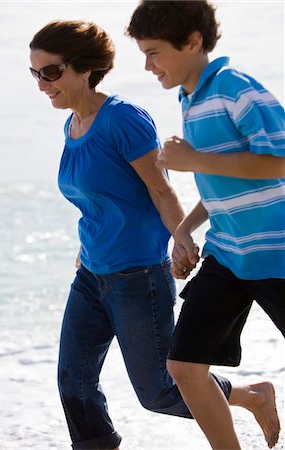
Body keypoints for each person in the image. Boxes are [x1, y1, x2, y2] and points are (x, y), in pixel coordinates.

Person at [29, 19, 281, 450]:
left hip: (137, 277)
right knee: (74, 384)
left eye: (50, 72)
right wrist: (86, 247)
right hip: (91, 274)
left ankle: (252, 396)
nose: (41, 84)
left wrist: (181, 239)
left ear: (84, 68)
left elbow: (161, 189)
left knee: (162, 391)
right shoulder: (70, 125)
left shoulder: (123, 119)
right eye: (35, 74)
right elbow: (101, 199)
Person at [127, 1, 285, 449]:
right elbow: (221, 184)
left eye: (154, 51)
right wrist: (185, 229)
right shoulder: (191, 97)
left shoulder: (236, 88)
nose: (147, 65)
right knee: (184, 367)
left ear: (192, 42)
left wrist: (193, 158)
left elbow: (280, 159)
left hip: (276, 250)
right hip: (229, 253)